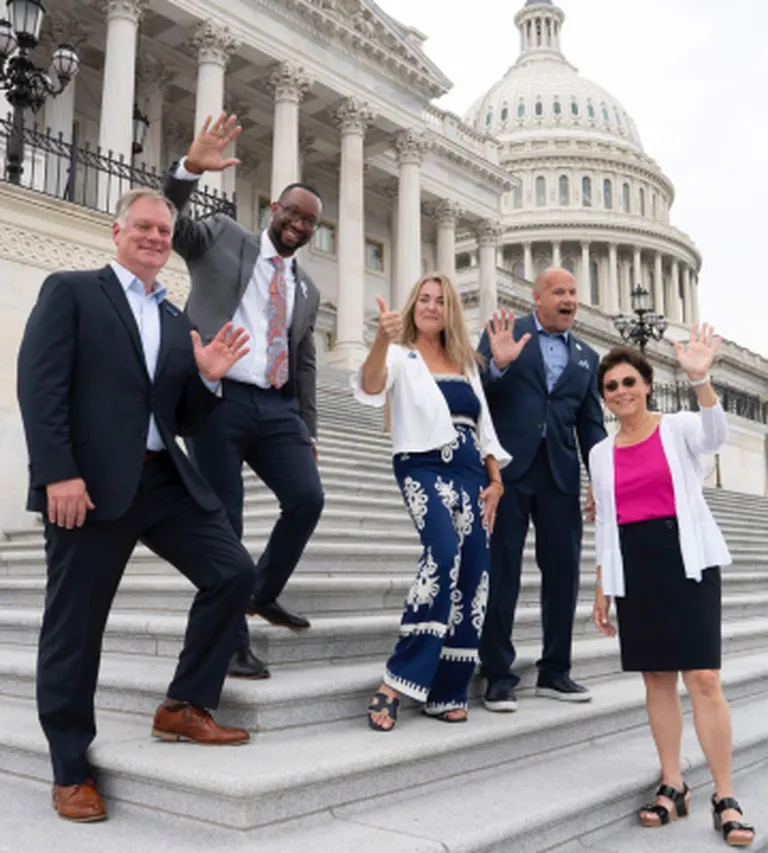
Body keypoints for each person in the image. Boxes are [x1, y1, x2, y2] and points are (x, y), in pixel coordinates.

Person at [16, 188, 257, 823]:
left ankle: (184, 705)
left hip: (162, 482)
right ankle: (70, 768)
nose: (154, 237)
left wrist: (207, 377)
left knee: (233, 572)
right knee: (75, 627)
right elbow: (39, 385)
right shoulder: (73, 291)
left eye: (163, 230)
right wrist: (57, 473)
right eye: (143, 226)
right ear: (117, 232)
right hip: (89, 487)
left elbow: (182, 417)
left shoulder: (176, 319)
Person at [162, 113, 325, 680]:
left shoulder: (307, 288)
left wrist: (308, 430)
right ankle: (230, 643)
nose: (298, 225)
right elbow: (171, 225)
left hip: (277, 408)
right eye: (292, 213)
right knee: (224, 522)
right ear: (274, 210)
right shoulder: (224, 236)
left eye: (309, 221)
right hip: (218, 398)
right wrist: (188, 170)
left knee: (307, 499)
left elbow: (305, 361)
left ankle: (261, 591)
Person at [591, 330, 754, 847]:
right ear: (604, 397)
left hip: (687, 561)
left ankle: (725, 796)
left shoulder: (679, 427)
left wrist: (700, 378)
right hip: (635, 566)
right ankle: (673, 784)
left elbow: (715, 435)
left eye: (629, 382)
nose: (622, 392)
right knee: (657, 680)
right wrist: (602, 586)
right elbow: (605, 523)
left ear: (647, 385)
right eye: (612, 386)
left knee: (703, 677)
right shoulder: (599, 453)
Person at [353, 274, 514, 731]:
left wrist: (496, 481)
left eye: (440, 301)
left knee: (474, 576)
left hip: (472, 473)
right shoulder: (399, 354)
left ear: (450, 311)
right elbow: (370, 386)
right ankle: (397, 680)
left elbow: (485, 429)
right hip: (422, 466)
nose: (431, 306)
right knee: (442, 555)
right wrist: (380, 341)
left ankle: (447, 689)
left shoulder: (465, 362)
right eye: (423, 299)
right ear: (412, 306)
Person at [477, 267, 606, 711]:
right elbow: (475, 392)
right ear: (537, 297)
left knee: (563, 574)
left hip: (560, 477)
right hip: (508, 473)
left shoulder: (588, 356)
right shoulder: (505, 332)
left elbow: (591, 426)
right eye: (558, 292)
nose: (568, 299)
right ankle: (497, 673)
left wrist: (600, 478)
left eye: (573, 292)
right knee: (502, 572)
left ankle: (556, 670)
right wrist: (498, 365)